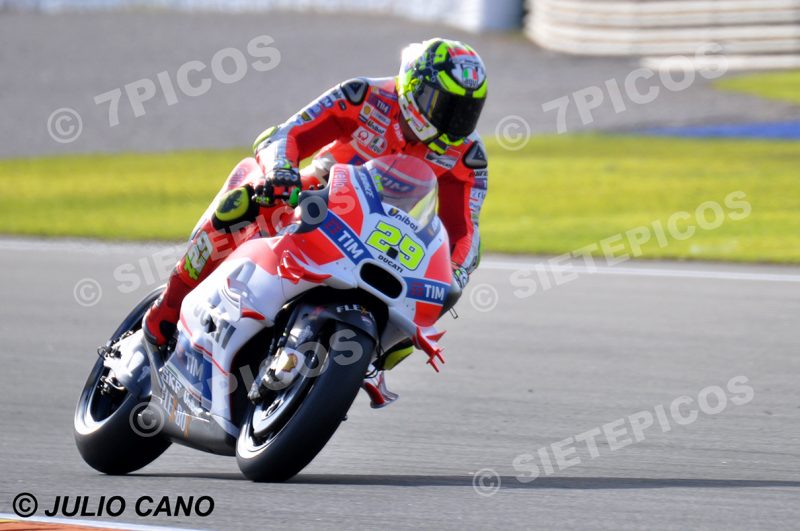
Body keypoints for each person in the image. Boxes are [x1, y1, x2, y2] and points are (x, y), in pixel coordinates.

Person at [142, 38, 489, 406]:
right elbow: (287, 133)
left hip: (390, 241)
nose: (453, 122)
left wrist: (456, 273)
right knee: (247, 202)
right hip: (322, 197)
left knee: (424, 309)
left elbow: (466, 231)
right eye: (444, 105)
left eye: (465, 112)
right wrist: (281, 172)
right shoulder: (364, 96)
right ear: (413, 87)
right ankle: (169, 306)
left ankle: (355, 367)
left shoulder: (468, 157)